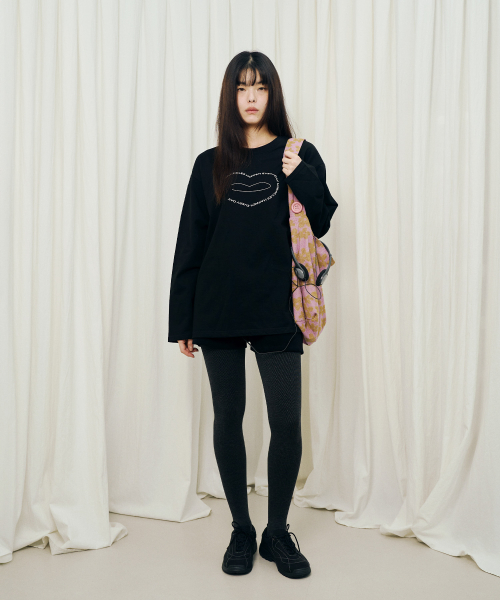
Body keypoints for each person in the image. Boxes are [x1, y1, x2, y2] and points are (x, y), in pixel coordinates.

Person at [167, 51, 338, 579]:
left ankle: (276, 531)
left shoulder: (297, 153)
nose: (251, 97)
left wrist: (299, 175)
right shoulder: (209, 163)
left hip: (277, 307)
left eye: (260, 87)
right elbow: (190, 243)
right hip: (217, 308)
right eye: (242, 87)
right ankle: (241, 528)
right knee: (229, 417)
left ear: (272, 94)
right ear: (230, 95)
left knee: (286, 421)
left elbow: (323, 219)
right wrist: (182, 321)